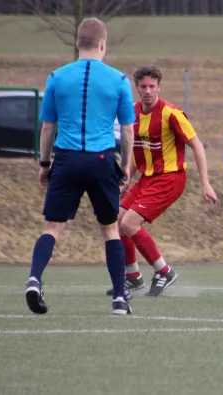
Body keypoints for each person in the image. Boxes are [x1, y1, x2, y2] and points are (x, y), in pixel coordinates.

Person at [25, 18, 135, 315]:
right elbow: (127, 132)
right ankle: (119, 299)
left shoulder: (57, 78)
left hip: (67, 159)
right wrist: (124, 167)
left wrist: (44, 164)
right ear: (103, 44)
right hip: (101, 161)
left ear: (77, 44)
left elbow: (48, 128)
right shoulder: (120, 80)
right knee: (110, 228)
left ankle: (34, 279)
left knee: (53, 227)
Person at [105, 64, 218, 298]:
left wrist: (205, 182)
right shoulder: (133, 113)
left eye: (152, 86)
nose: (147, 91)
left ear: (159, 87)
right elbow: (139, 152)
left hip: (170, 178)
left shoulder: (171, 113)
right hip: (146, 179)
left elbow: (197, 145)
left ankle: (164, 271)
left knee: (129, 224)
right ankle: (134, 277)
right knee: (115, 222)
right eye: (143, 86)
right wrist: (126, 178)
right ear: (136, 88)